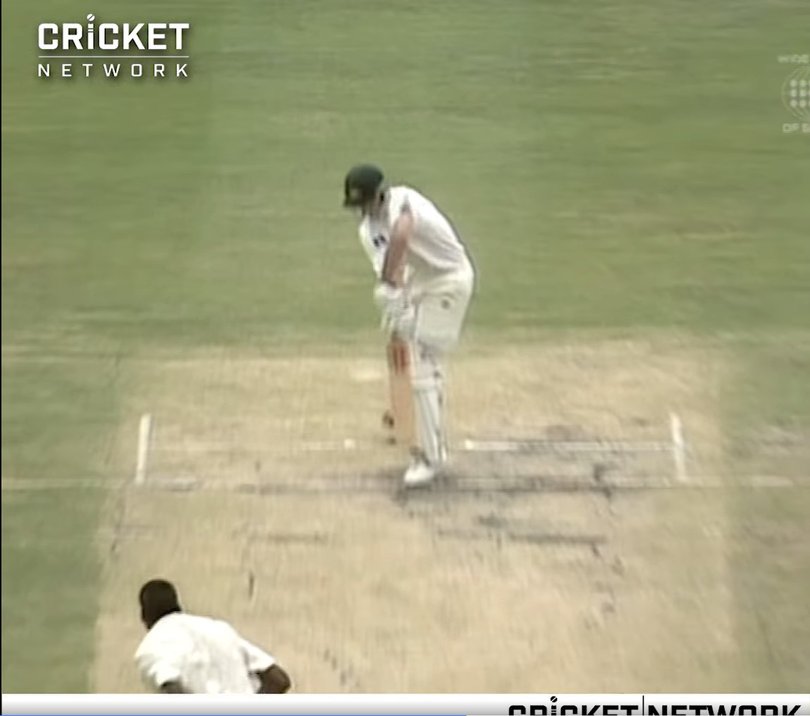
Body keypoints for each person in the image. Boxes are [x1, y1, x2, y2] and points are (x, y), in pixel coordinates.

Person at [344, 163, 476, 487]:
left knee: (422, 363)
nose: (362, 211)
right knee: (404, 337)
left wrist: (395, 296)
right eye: (357, 205)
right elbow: (392, 273)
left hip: (450, 280)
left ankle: (431, 458)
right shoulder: (367, 232)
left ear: (379, 194)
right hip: (421, 281)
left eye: (365, 202)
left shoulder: (404, 201)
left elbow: (402, 234)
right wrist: (396, 306)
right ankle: (418, 408)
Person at [134, 579, 291, 694]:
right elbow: (279, 680)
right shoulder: (218, 629)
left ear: (144, 615)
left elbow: (171, 688)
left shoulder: (151, 647)